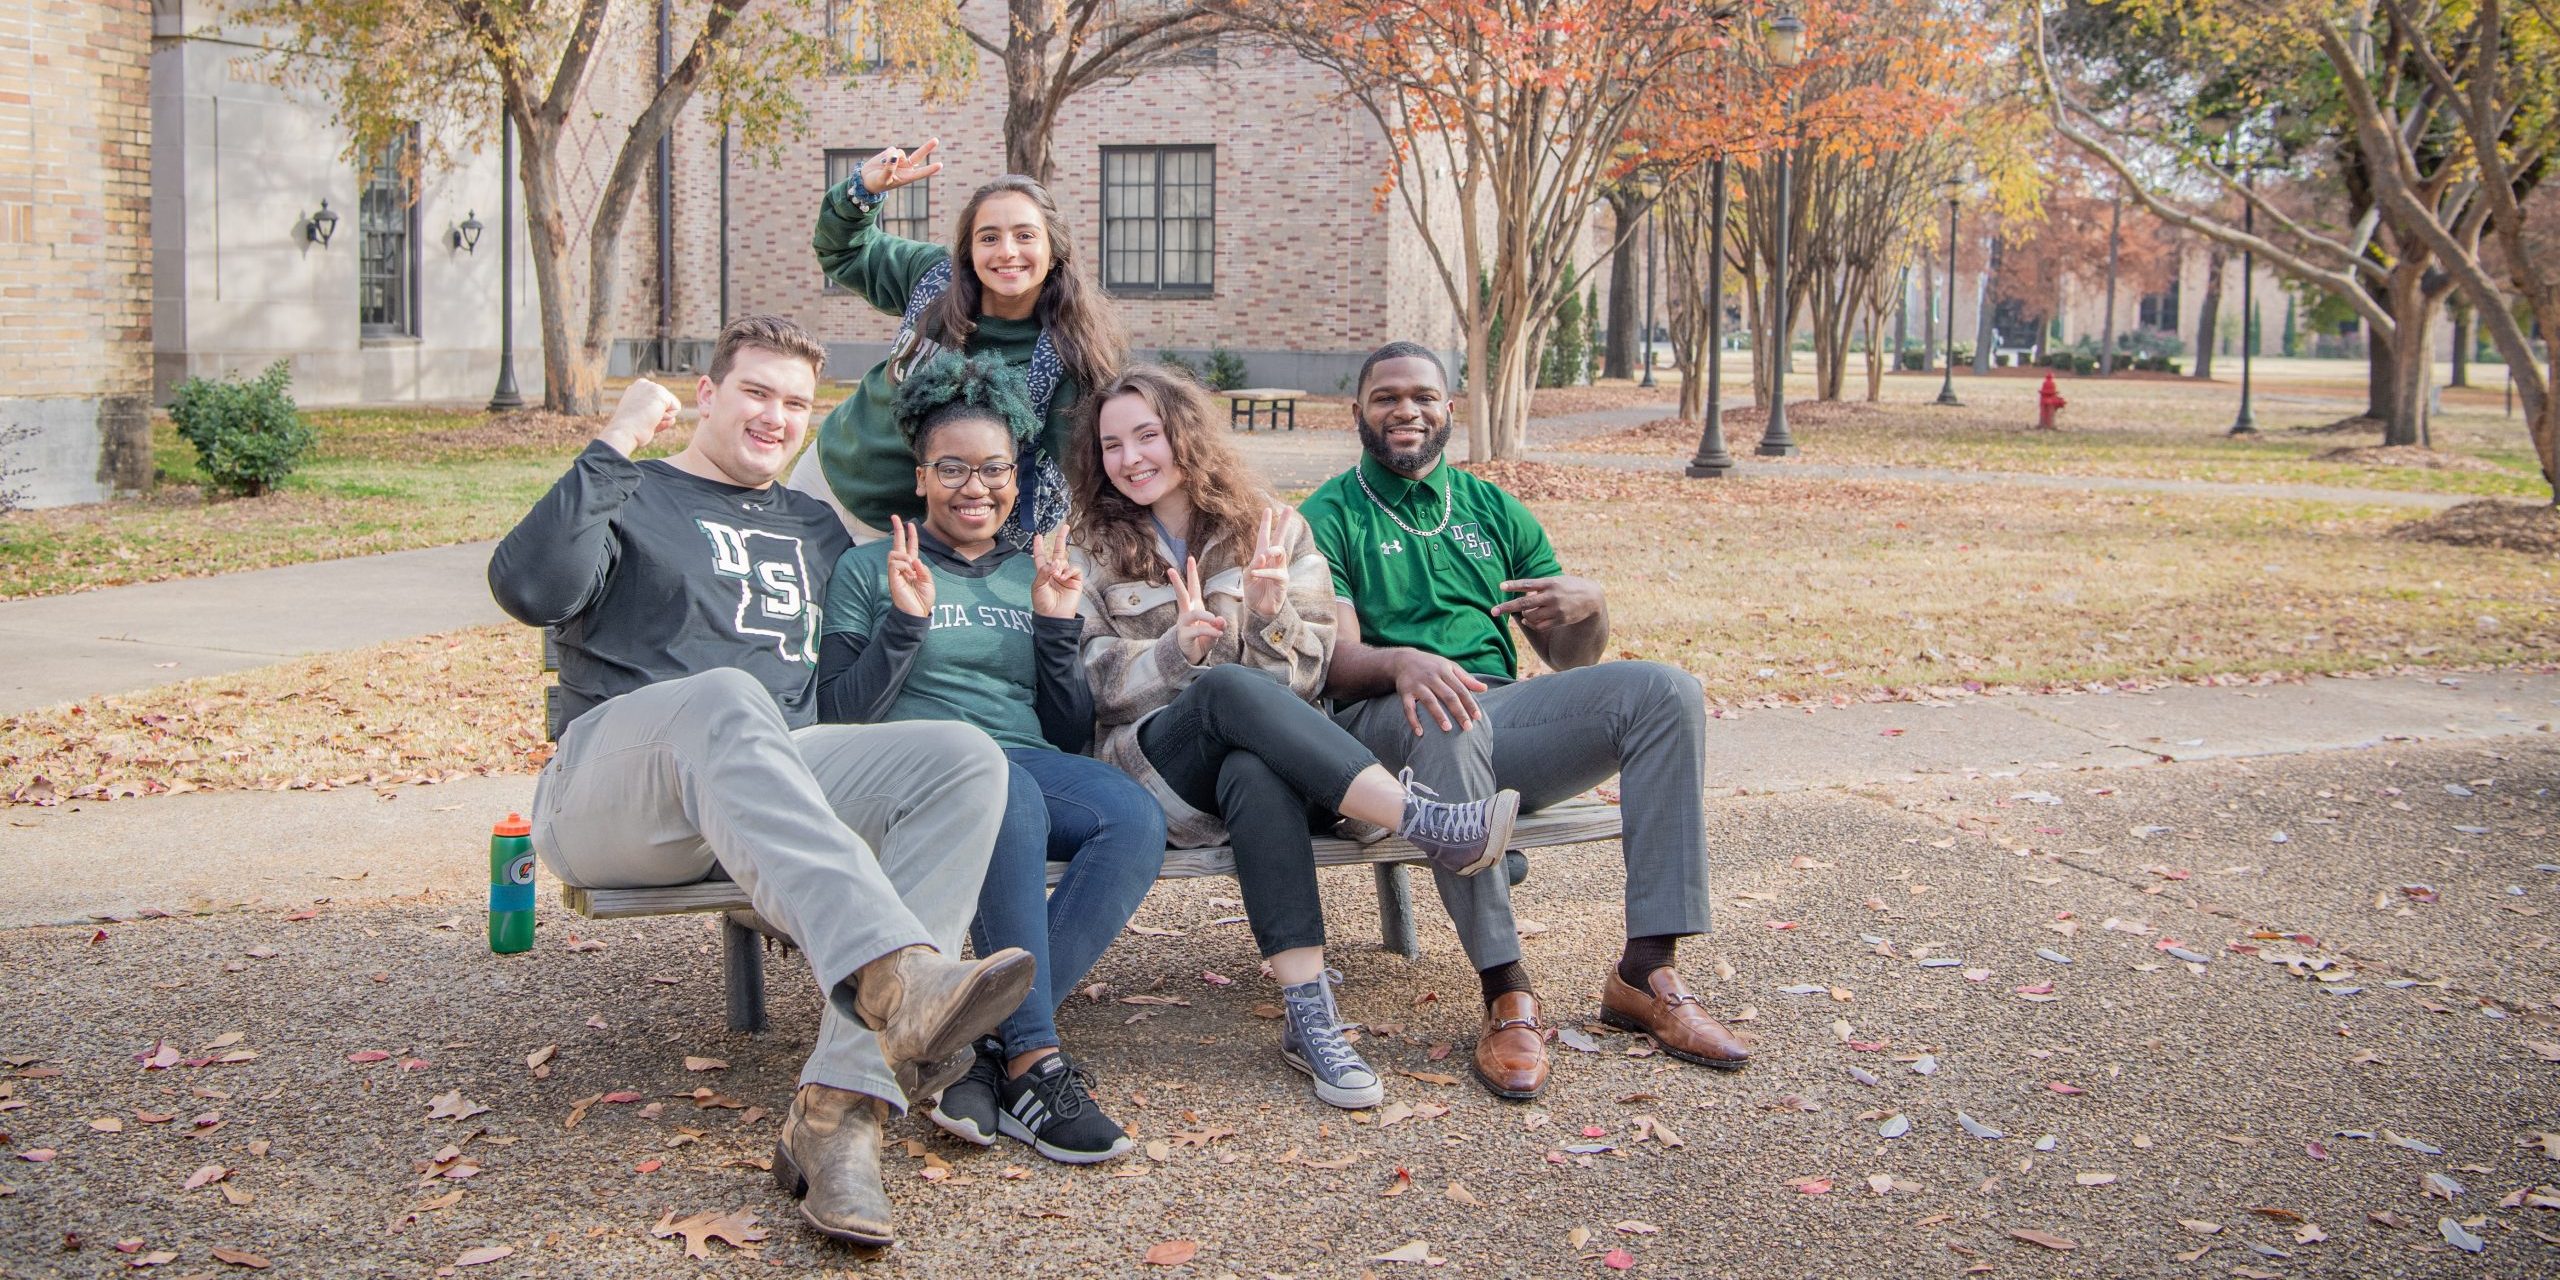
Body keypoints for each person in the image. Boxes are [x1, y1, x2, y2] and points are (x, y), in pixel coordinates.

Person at [486, 315, 1037, 1248]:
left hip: (763, 790)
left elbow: (838, 706)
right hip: (619, 789)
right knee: (727, 697)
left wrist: (904, 629)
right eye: (756, 392)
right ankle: (897, 976)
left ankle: (839, 1115)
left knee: (964, 759)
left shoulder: (812, 528)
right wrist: (616, 438)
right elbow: (530, 588)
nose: (776, 417)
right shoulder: (636, 490)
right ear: (707, 394)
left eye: (795, 403)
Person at [1298, 341, 1751, 1102]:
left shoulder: (1489, 509)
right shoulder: (1329, 514)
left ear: (1449, 410)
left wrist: (1590, 610)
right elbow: (1333, 661)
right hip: (1383, 730)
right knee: (1447, 710)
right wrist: (1405, 661)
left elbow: (1570, 658)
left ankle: (1646, 971)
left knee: (1665, 693)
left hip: (1499, 716)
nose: (1405, 410)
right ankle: (1506, 990)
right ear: (1358, 414)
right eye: (1385, 398)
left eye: (1423, 397)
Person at [1066, 364, 1521, 1110]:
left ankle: (1310, 1018)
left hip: (1267, 781)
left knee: (1254, 763)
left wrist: (1271, 618)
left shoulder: (1273, 529)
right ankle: (1423, 821)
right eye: (1112, 444)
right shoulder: (1085, 544)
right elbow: (1087, 679)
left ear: (1186, 433)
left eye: (1148, 435)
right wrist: (1178, 651)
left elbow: (1304, 687)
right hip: (1154, 775)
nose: (1131, 458)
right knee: (1217, 688)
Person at [818, 352, 1166, 1165]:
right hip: (922, 776)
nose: (975, 486)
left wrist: (1053, 627)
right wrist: (903, 625)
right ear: (920, 474)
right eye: (953, 468)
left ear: (1017, 475)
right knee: (995, 782)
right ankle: (1035, 1061)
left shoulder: (1033, 571)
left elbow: (1067, 725)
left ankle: (978, 1047)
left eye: (995, 468)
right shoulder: (872, 568)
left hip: (1024, 762)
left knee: (1131, 815)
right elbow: (838, 711)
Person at [795, 140, 1124, 542]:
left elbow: (1084, 472)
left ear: (1054, 249)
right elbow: (844, 252)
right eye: (988, 237)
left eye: (1025, 236)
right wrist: (863, 191)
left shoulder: (1066, 356)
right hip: (826, 476)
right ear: (968, 249)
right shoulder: (934, 277)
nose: (1007, 252)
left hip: (911, 536)